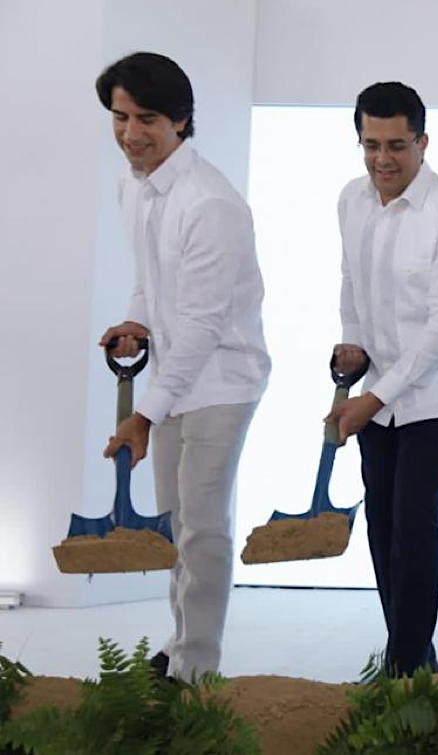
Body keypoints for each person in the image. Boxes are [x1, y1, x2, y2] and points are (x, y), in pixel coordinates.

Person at [96, 51, 271, 680]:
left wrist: (142, 414)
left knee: (202, 526)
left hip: (221, 380)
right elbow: (151, 280)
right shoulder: (135, 186)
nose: (131, 134)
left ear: (181, 121)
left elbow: (200, 326)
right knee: (176, 521)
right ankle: (180, 641)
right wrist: (136, 321)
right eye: (120, 118)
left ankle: (197, 667)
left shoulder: (210, 204)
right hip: (173, 379)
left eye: (146, 118)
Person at [325, 81, 438, 677]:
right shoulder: (351, 200)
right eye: (370, 145)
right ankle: (413, 654)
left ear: (423, 141)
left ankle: (403, 668)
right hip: (377, 389)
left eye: (396, 144)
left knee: (415, 521)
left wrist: (374, 397)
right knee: (381, 521)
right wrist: (352, 339)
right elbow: (352, 279)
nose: (382, 159)